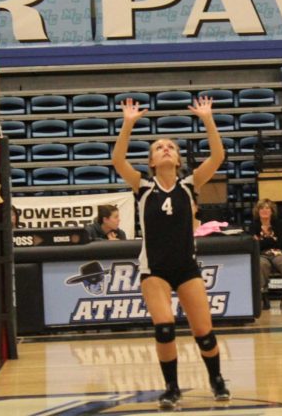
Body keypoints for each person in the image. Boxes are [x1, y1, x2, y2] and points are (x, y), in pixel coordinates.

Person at [112, 96, 230, 410]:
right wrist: (127, 124)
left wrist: (207, 118)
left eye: (171, 147)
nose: (165, 148)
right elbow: (117, 161)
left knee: (204, 333)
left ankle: (216, 379)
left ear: (178, 160)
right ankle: (172, 387)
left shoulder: (190, 185)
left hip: (186, 268)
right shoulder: (143, 187)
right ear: (151, 162)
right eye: (158, 147)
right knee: (164, 328)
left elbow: (218, 156)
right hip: (155, 271)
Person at [249, 198, 282, 310]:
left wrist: (262, 240)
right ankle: (264, 295)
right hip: (261, 255)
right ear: (258, 211)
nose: (264, 210)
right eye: (262, 208)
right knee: (260, 264)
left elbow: (281, 242)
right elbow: (255, 245)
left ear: (272, 211)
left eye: (267, 208)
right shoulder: (254, 226)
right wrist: (271, 240)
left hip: (277, 253)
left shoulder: (278, 224)